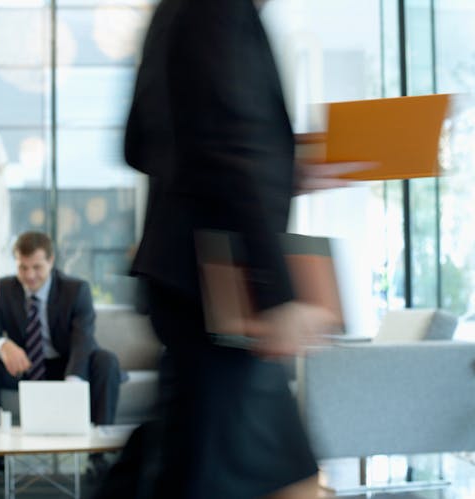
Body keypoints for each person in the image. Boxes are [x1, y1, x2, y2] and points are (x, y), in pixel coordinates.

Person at [93, 0, 342, 498]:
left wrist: (280, 164)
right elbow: (229, 148)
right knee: (274, 481)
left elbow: (140, 142)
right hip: (224, 293)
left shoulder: (178, 9)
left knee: (204, 469)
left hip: (193, 286)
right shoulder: (219, 8)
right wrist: (277, 295)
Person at [0, 231, 123, 483]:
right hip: (24, 367)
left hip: (66, 365)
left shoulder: (76, 289)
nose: (30, 275)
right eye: (22, 267)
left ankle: (97, 458)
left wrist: (72, 384)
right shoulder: (5, 288)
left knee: (106, 361)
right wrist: (4, 346)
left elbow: (83, 339)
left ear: (51, 261)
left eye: (37, 267)